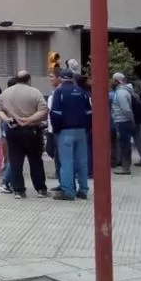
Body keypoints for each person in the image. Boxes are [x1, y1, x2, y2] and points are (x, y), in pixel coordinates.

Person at [0, 71, 48, 198]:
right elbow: (43, 110)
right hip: (32, 130)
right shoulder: (35, 92)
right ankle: (40, 189)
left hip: (13, 130)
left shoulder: (6, 93)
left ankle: (19, 190)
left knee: (15, 161)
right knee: (35, 160)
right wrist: (29, 120)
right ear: (29, 80)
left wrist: (6, 119)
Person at [49, 69, 92, 201]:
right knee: (82, 162)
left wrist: (56, 130)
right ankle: (83, 190)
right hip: (81, 131)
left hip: (65, 131)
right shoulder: (82, 92)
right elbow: (89, 113)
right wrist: (86, 128)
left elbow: (55, 113)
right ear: (72, 78)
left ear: (61, 78)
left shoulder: (59, 92)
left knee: (66, 162)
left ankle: (68, 191)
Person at [110, 73, 137, 175]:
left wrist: (131, 119)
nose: (112, 82)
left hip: (123, 121)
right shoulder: (124, 91)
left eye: (113, 80)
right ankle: (125, 166)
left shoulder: (121, 93)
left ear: (117, 81)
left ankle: (125, 168)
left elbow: (125, 109)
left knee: (124, 144)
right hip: (123, 121)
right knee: (124, 144)